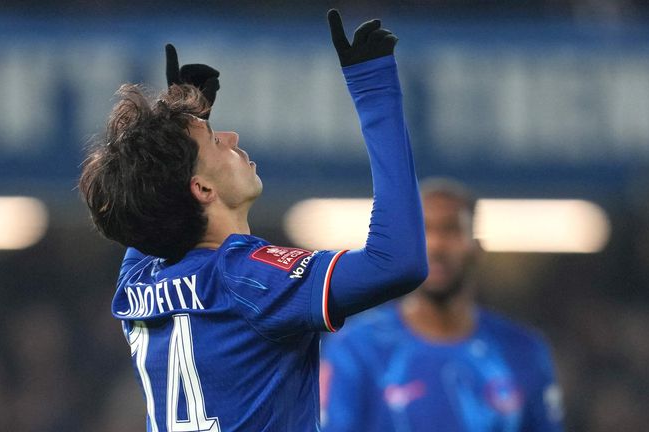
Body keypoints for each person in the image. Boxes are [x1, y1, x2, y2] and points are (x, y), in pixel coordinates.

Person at [78, 9, 427, 432]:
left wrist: (184, 117)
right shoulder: (248, 279)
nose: (231, 137)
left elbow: (148, 201)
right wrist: (374, 90)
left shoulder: (137, 281)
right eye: (213, 140)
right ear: (202, 190)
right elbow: (396, 261)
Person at [321, 178, 565, 432]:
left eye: (451, 230)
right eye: (424, 231)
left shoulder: (523, 350)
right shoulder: (357, 348)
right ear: (407, 248)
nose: (436, 245)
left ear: (476, 249)